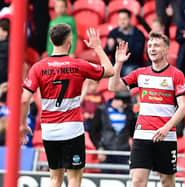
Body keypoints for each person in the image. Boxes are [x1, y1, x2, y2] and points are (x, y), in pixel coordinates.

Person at [20, 23, 114, 187]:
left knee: (54, 179)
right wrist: (98, 48)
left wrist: (22, 125)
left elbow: (24, 99)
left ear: (51, 40)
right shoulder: (78, 64)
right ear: (70, 41)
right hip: (72, 129)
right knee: (74, 179)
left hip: (50, 130)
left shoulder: (38, 67)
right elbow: (109, 70)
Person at [108, 32, 185, 187]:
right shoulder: (141, 73)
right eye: (150, 45)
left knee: (167, 182)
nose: (152, 48)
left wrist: (166, 128)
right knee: (137, 181)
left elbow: (184, 106)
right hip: (142, 135)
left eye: (156, 45)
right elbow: (113, 86)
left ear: (166, 50)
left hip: (165, 136)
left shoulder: (176, 74)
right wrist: (118, 63)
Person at [92, 90, 136, 174]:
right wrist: (99, 148)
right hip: (106, 151)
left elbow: (132, 132)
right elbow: (93, 131)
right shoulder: (102, 110)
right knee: (106, 179)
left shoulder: (129, 113)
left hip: (123, 151)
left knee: (125, 178)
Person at [104, 8, 145, 76]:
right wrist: (109, 48)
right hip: (116, 63)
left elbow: (139, 55)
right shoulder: (113, 32)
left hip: (131, 64)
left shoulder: (138, 34)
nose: (122, 22)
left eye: (124, 19)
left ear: (130, 19)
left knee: (128, 73)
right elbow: (106, 52)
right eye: (120, 19)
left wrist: (126, 48)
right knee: (105, 71)